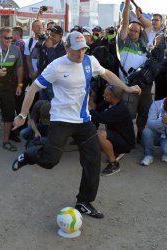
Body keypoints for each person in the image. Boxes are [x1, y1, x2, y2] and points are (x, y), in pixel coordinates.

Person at [12, 31, 141, 219]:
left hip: (83, 121)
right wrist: (23, 114)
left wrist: (127, 88)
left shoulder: (90, 61)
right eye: (76, 50)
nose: (80, 54)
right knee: (50, 161)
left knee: (92, 159)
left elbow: (107, 74)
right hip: (61, 120)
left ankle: (84, 202)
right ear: (66, 48)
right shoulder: (56, 66)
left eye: (83, 50)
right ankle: (29, 154)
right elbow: (33, 88)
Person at [117, 0, 152, 143]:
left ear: (140, 32)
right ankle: (126, 139)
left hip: (145, 84)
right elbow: (124, 22)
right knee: (128, 115)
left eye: (135, 31)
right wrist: (127, 4)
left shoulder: (143, 40)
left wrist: (139, 17)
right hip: (129, 85)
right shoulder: (123, 41)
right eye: (131, 30)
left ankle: (139, 138)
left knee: (144, 113)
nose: (132, 32)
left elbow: (148, 25)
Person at [89, 84, 135, 176]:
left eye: (106, 95)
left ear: (114, 97)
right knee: (101, 134)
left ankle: (114, 164)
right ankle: (116, 152)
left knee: (100, 134)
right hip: (118, 135)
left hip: (126, 143)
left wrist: (89, 109)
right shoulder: (110, 102)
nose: (103, 96)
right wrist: (90, 98)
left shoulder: (119, 109)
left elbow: (99, 117)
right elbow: (96, 109)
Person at [140, 91, 167, 166]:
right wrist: (161, 121)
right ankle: (149, 155)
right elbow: (149, 124)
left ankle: (166, 152)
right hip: (156, 133)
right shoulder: (156, 104)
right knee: (146, 131)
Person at [37, 25, 66, 101]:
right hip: (43, 80)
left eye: (53, 36)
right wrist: (39, 44)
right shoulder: (45, 44)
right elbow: (40, 62)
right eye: (50, 35)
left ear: (60, 36)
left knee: (52, 107)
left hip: (54, 84)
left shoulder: (64, 48)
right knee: (43, 106)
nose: (50, 37)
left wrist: (50, 48)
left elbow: (55, 64)